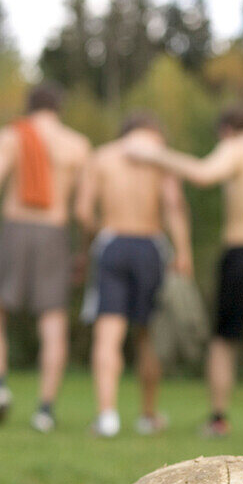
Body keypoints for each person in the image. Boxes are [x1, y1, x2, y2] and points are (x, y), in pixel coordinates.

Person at [128, 105, 243, 442]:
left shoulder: (237, 147)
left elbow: (202, 173)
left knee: (224, 341)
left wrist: (155, 155)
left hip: (242, 253)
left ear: (228, 129)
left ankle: (218, 420)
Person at [0, 83, 90, 430]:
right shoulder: (77, 145)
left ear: (29, 107)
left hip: (15, 228)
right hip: (56, 233)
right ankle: (45, 410)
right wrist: (84, 251)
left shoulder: (11, 136)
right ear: (58, 108)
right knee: (53, 321)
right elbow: (84, 208)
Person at [75, 112, 193, 438]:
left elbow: (84, 213)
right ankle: (147, 415)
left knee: (107, 333)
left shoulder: (102, 156)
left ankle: (107, 417)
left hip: (112, 243)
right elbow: (174, 204)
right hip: (151, 247)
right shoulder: (160, 159)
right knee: (147, 335)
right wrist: (184, 252)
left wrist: (97, 240)